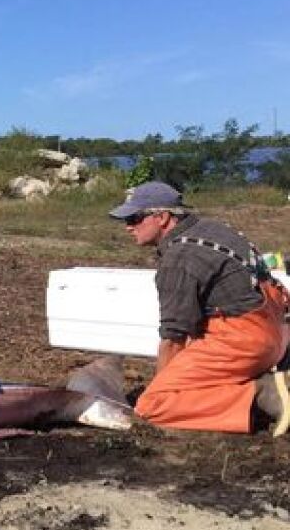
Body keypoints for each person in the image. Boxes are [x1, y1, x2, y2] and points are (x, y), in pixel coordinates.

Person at [108, 181, 290, 434]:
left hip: (243, 342)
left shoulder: (178, 259)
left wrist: (164, 386)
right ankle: (272, 379)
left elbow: (173, 339)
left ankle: (263, 394)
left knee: (153, 404)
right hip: (277, 336)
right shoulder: (213, 229)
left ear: (161, 217)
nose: (128, 227)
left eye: (134, 218)